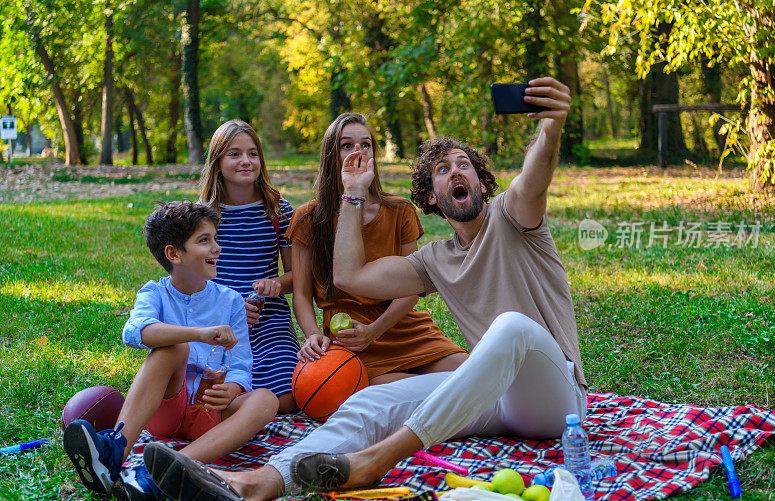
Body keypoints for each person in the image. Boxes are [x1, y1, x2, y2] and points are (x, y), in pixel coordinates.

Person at [142, 77, 585, 501]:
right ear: (431, 197)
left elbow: (534, 178)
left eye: (463, 164)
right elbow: (351, 277)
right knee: (369, 403)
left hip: (557, 401)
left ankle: (373, 462)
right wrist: (353, 192)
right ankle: (257, 481)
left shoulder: (514, 218)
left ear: (480, 182)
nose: (456, 172)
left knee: (509, 327)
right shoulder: (435, 259)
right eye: (443, 169)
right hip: (498, 401)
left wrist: (550, 128)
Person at [63, 201, 277, 501]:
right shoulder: (154, 292)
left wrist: (233, 387)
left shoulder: (230, 301)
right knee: (173, 347)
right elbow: (135, 332)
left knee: (266, 400)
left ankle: (167, 469)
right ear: (174, 254)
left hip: (211, 411)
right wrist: (199, 334)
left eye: (216, 238)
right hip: (167, 407)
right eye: (204, 240)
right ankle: (114, 452)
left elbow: (242, 362)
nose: (216, 247)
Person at [289, 113, 467, 384]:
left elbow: (411, 288)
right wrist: (314, 334)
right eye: (346, 145)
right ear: (330, 155)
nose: (358, 152)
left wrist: (374, 330)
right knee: (375, 393)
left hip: (400, 326)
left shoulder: (400, 210)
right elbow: (301, 295)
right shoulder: (308, 217)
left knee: (471, 374)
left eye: (366, 144)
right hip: (349, 338)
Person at [199, 119, 298, 413]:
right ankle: (241, 409)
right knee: (204, 383)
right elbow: (193, 280)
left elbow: (296, 276)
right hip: (218, 321)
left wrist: (277, 284)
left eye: (252, 153)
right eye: (234, 154)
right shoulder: (203, 215)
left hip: (268, 320)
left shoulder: (279, 210)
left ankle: (236, 410)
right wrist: (229, 307)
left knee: (292, 394)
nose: (246, 161)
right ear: (217, 162)